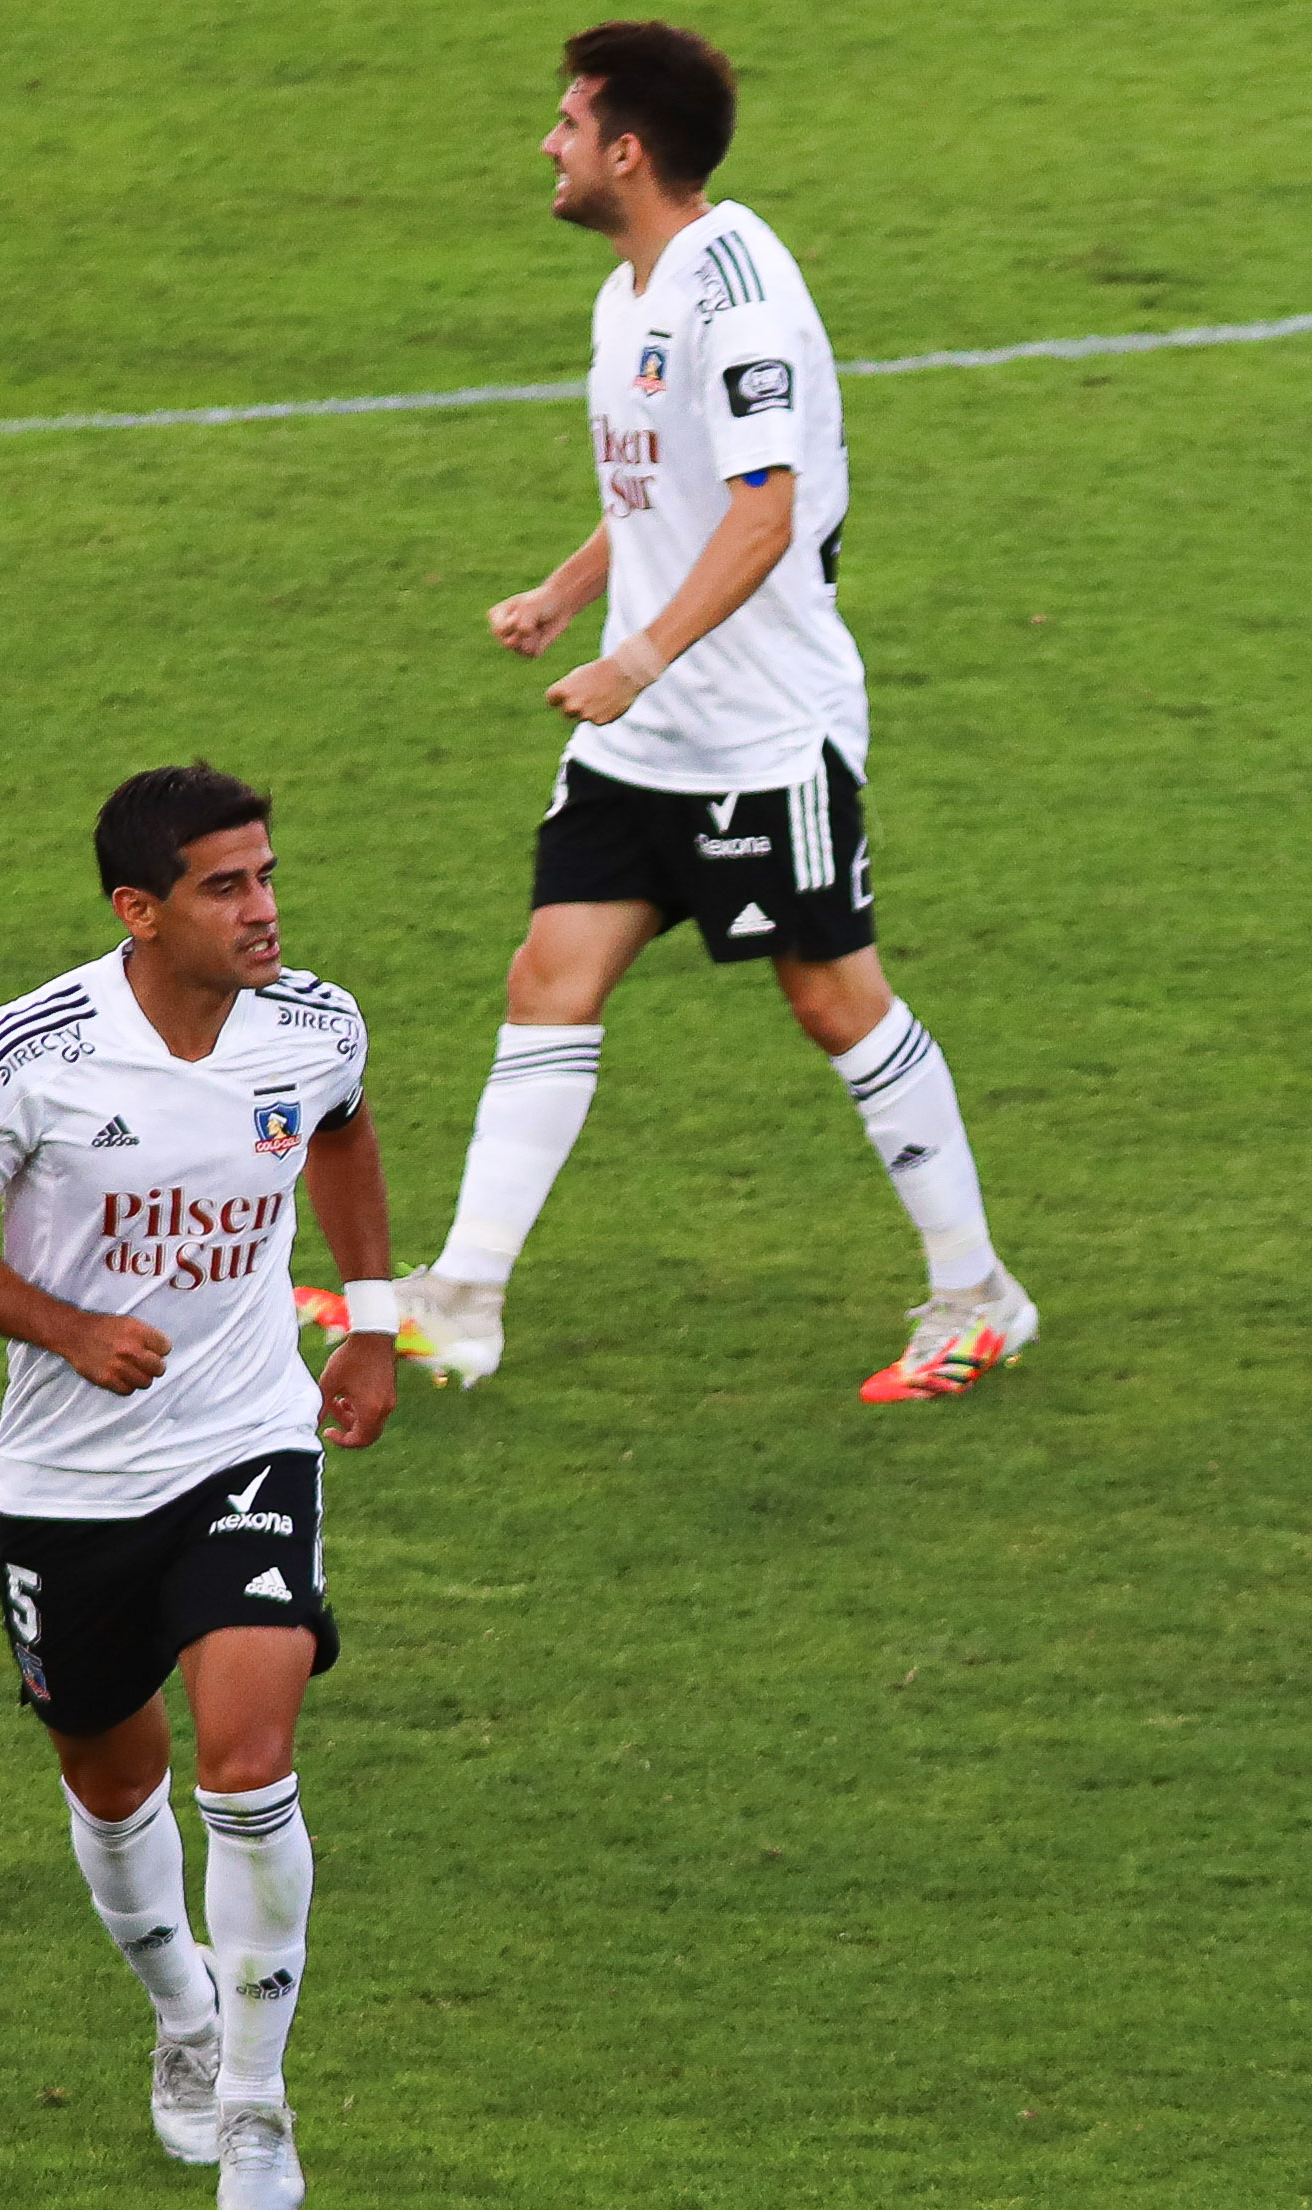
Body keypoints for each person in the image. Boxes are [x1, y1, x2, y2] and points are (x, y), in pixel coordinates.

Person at [393, 19, 1033, 1405]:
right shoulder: (632, 291)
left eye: (567, 124)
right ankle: (464, 1296)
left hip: (761, 737)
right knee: (547, 977)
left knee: (834, 998)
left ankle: (978, 1291)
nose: (547, 144)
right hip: (646, 740)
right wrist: (572, 593)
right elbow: (660, 494)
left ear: (627, 152)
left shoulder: (733, 294)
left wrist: (638, 660)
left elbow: (763, 514)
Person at [0, 765, 400, 2210]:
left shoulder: (315, 1022)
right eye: (226, 886)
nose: (265, 908)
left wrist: (366, 1316)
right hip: (68, 1478)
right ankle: (179, 2002)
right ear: (140, 909)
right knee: (114, 1782)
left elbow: (345, 1129)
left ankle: (253, 2096)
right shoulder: (37, 1051)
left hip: (245, 1439)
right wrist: (66, 1328)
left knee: (247, 1757)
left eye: (268, 875)